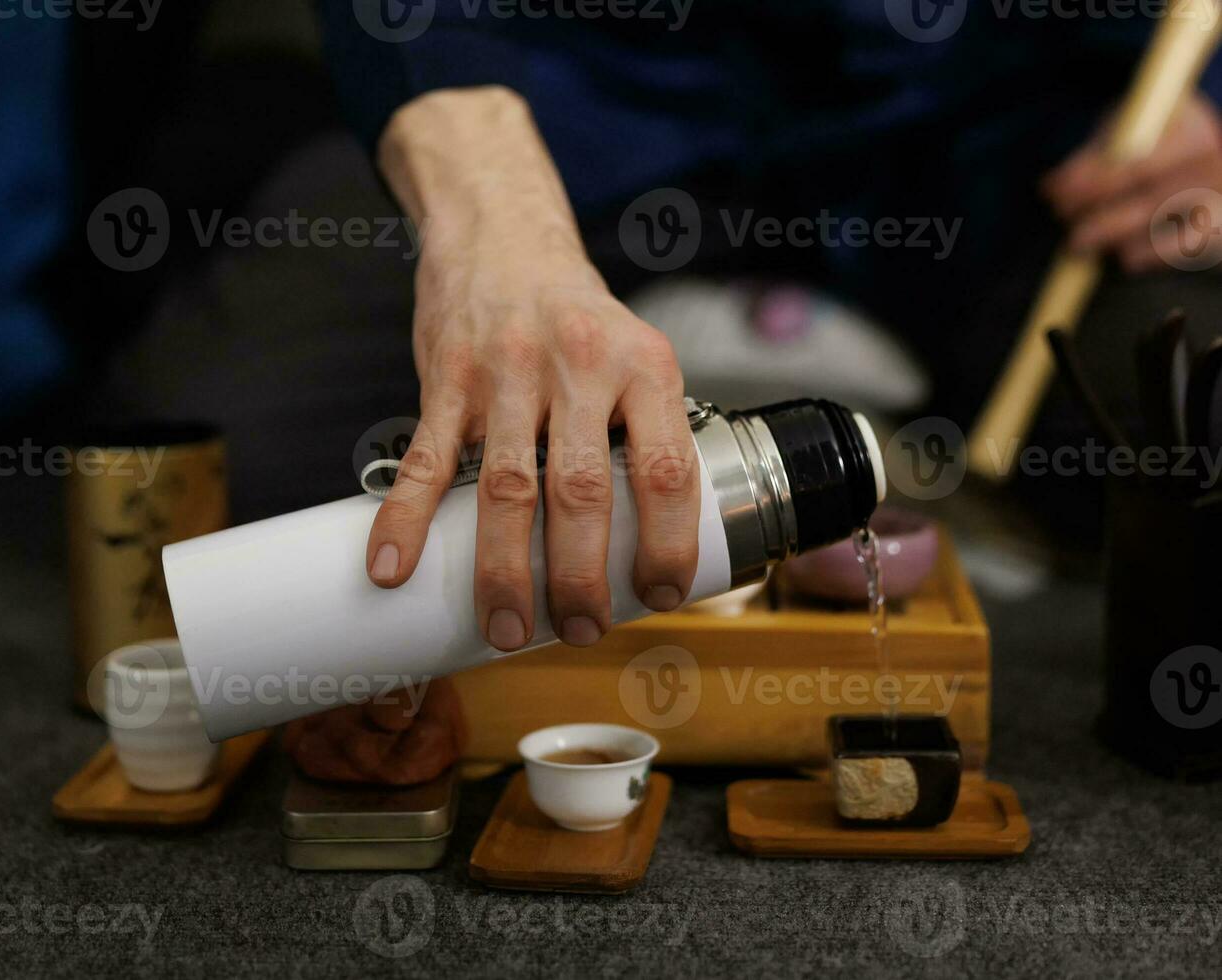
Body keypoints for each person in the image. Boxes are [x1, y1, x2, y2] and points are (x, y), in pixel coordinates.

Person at [315, 2, 1222, 656]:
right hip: (573, 119)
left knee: (1183, 428)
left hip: (997, 141)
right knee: (289, 485)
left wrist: (1211, 101)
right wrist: (490, 221)